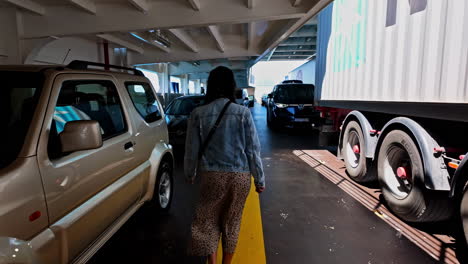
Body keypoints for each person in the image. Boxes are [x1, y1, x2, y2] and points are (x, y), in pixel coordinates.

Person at [185, 66, 265, 264]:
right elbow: (253, 150)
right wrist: (259, 179)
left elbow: (191, 148)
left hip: (210, 175)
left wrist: (190, 172)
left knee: (207, 221)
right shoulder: (243, 113)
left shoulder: (198, 113)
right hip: (239, 176)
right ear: (232, 86)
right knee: (232, 222)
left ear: (210, 86)